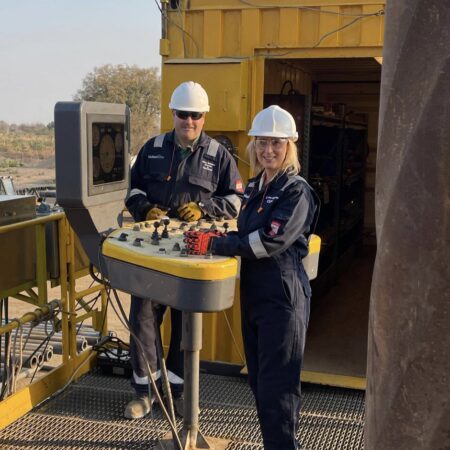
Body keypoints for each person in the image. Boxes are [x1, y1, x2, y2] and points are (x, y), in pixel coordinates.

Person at [124, 81, 243, 419]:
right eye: (182, 115)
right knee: (143, 318)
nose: (188, 121)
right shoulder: (153, 148)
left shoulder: (218, 155)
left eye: (195, 115)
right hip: (152, 253)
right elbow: (132, 189)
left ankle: (175, 393)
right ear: (173, 114)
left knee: (184, 322)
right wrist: (145, 209)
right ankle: (144, 394)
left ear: (203, 117)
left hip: (192, 253)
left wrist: (205, 208)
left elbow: (235, 200)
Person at [210, 105, 319, 450]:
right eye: (261, 143)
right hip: (255, 291)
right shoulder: (256, 185)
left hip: (283, 294)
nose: (267, 150)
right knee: (258, 380)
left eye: (276, 143)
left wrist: (221, 244)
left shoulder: (295, 191)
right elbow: (246, 231)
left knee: (278, 386)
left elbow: (268, 241)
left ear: (290, 146)